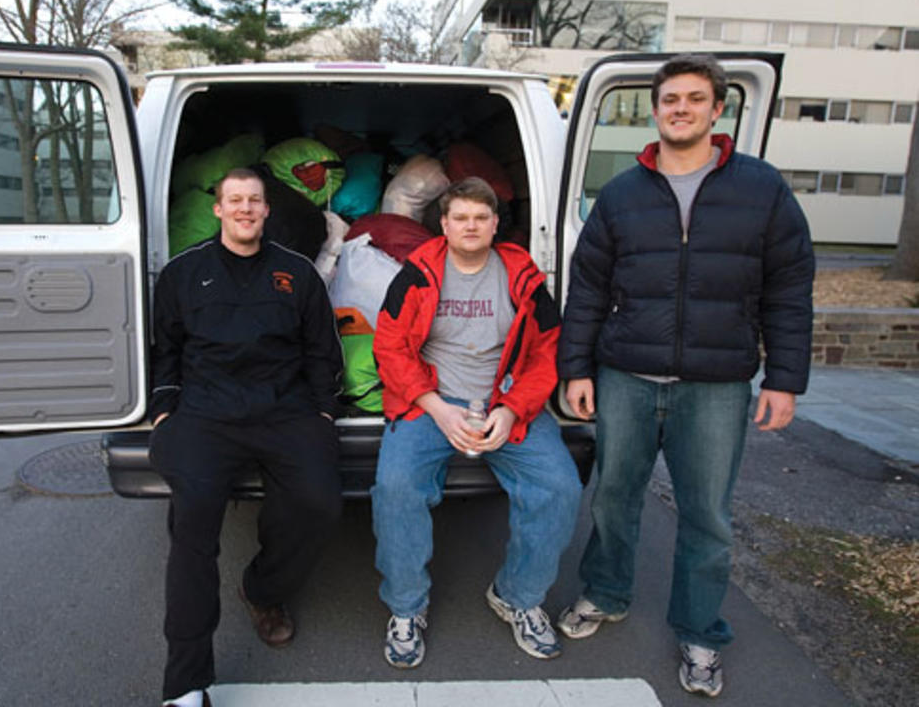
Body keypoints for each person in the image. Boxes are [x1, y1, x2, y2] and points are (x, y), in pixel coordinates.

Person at [556, 54, 814, 698]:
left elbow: (789, 289)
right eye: (670, 98)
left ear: (716, 109)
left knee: (708, 516)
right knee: (614, 497)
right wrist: (576, 369)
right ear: (654, 107)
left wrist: (785, 379)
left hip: (717, 384)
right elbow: (587, 290)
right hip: (626, 376)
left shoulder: (761, 189)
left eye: (694, 99)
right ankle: (607, 593)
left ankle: (700, 632)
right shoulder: (620, 194)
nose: (680, 109)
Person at [147, 167, 344, 707]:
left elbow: (321, 351)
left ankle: (263, 589)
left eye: (254, 201)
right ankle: (186, 685)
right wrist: (165, 410)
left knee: (320, 502)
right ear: (218, 209)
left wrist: (324, 413)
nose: (245, 209)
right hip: (205, 414)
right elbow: (164, 349)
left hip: (284, 411)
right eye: (234, 200)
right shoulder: (183, 273)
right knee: (193, 526)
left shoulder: (297, 273)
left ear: (266, 211)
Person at [370, 176, 582, 668]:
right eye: (460, 217)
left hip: (505, 400)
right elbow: (390, 346)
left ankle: (518, 596)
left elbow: (547, 351)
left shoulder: (522, 274)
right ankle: (406, 608)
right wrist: (434, 405)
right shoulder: (418, 272)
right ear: (443, 225)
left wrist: (512, 410)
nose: (471, 226)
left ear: (494, 224)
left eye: (480, 218)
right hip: (431, 401)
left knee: (559, 487)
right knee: (396, 486)